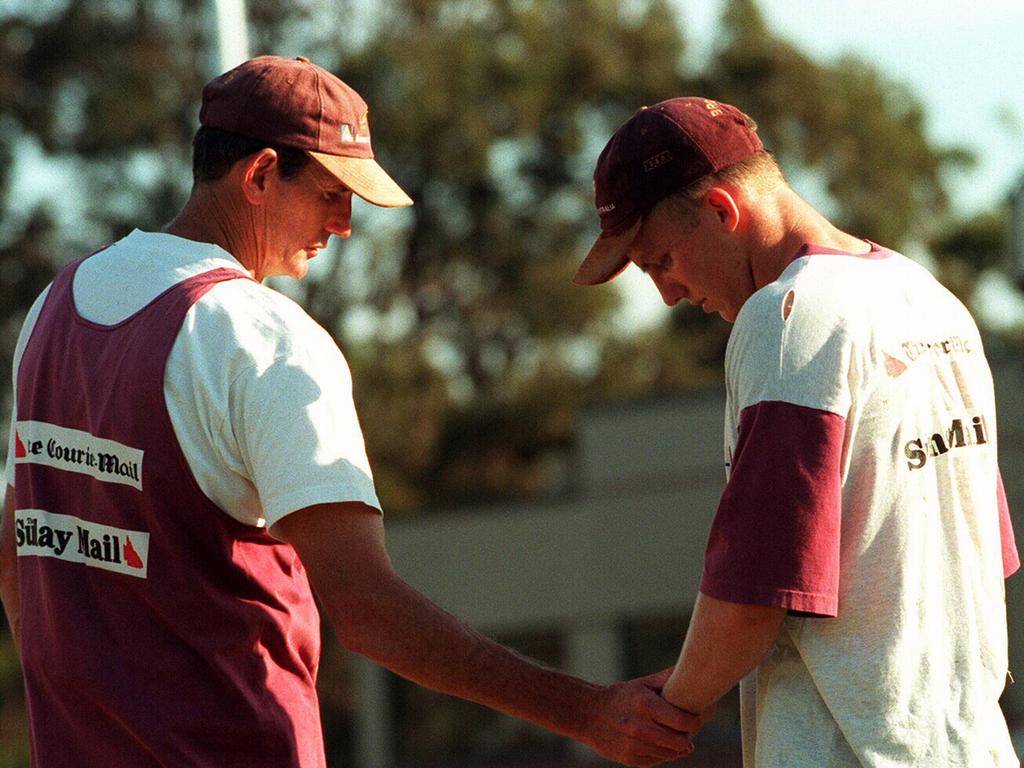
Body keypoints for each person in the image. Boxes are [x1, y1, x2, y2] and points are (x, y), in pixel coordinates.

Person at [0, 56, 701, 767]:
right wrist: (588, 712)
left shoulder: (54, 307)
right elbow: (369, 615)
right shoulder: (266, 341)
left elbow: (15, 551)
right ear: (261, 174)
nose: (345, 226)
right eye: (334, 193)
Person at [573, 96, 1021, 766]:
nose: (667, 293)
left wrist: (666, 708)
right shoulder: (933, 302)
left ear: (724, 212)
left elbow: (757, 594)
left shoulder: (787, 316)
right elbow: (991, 558)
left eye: (660, 260)